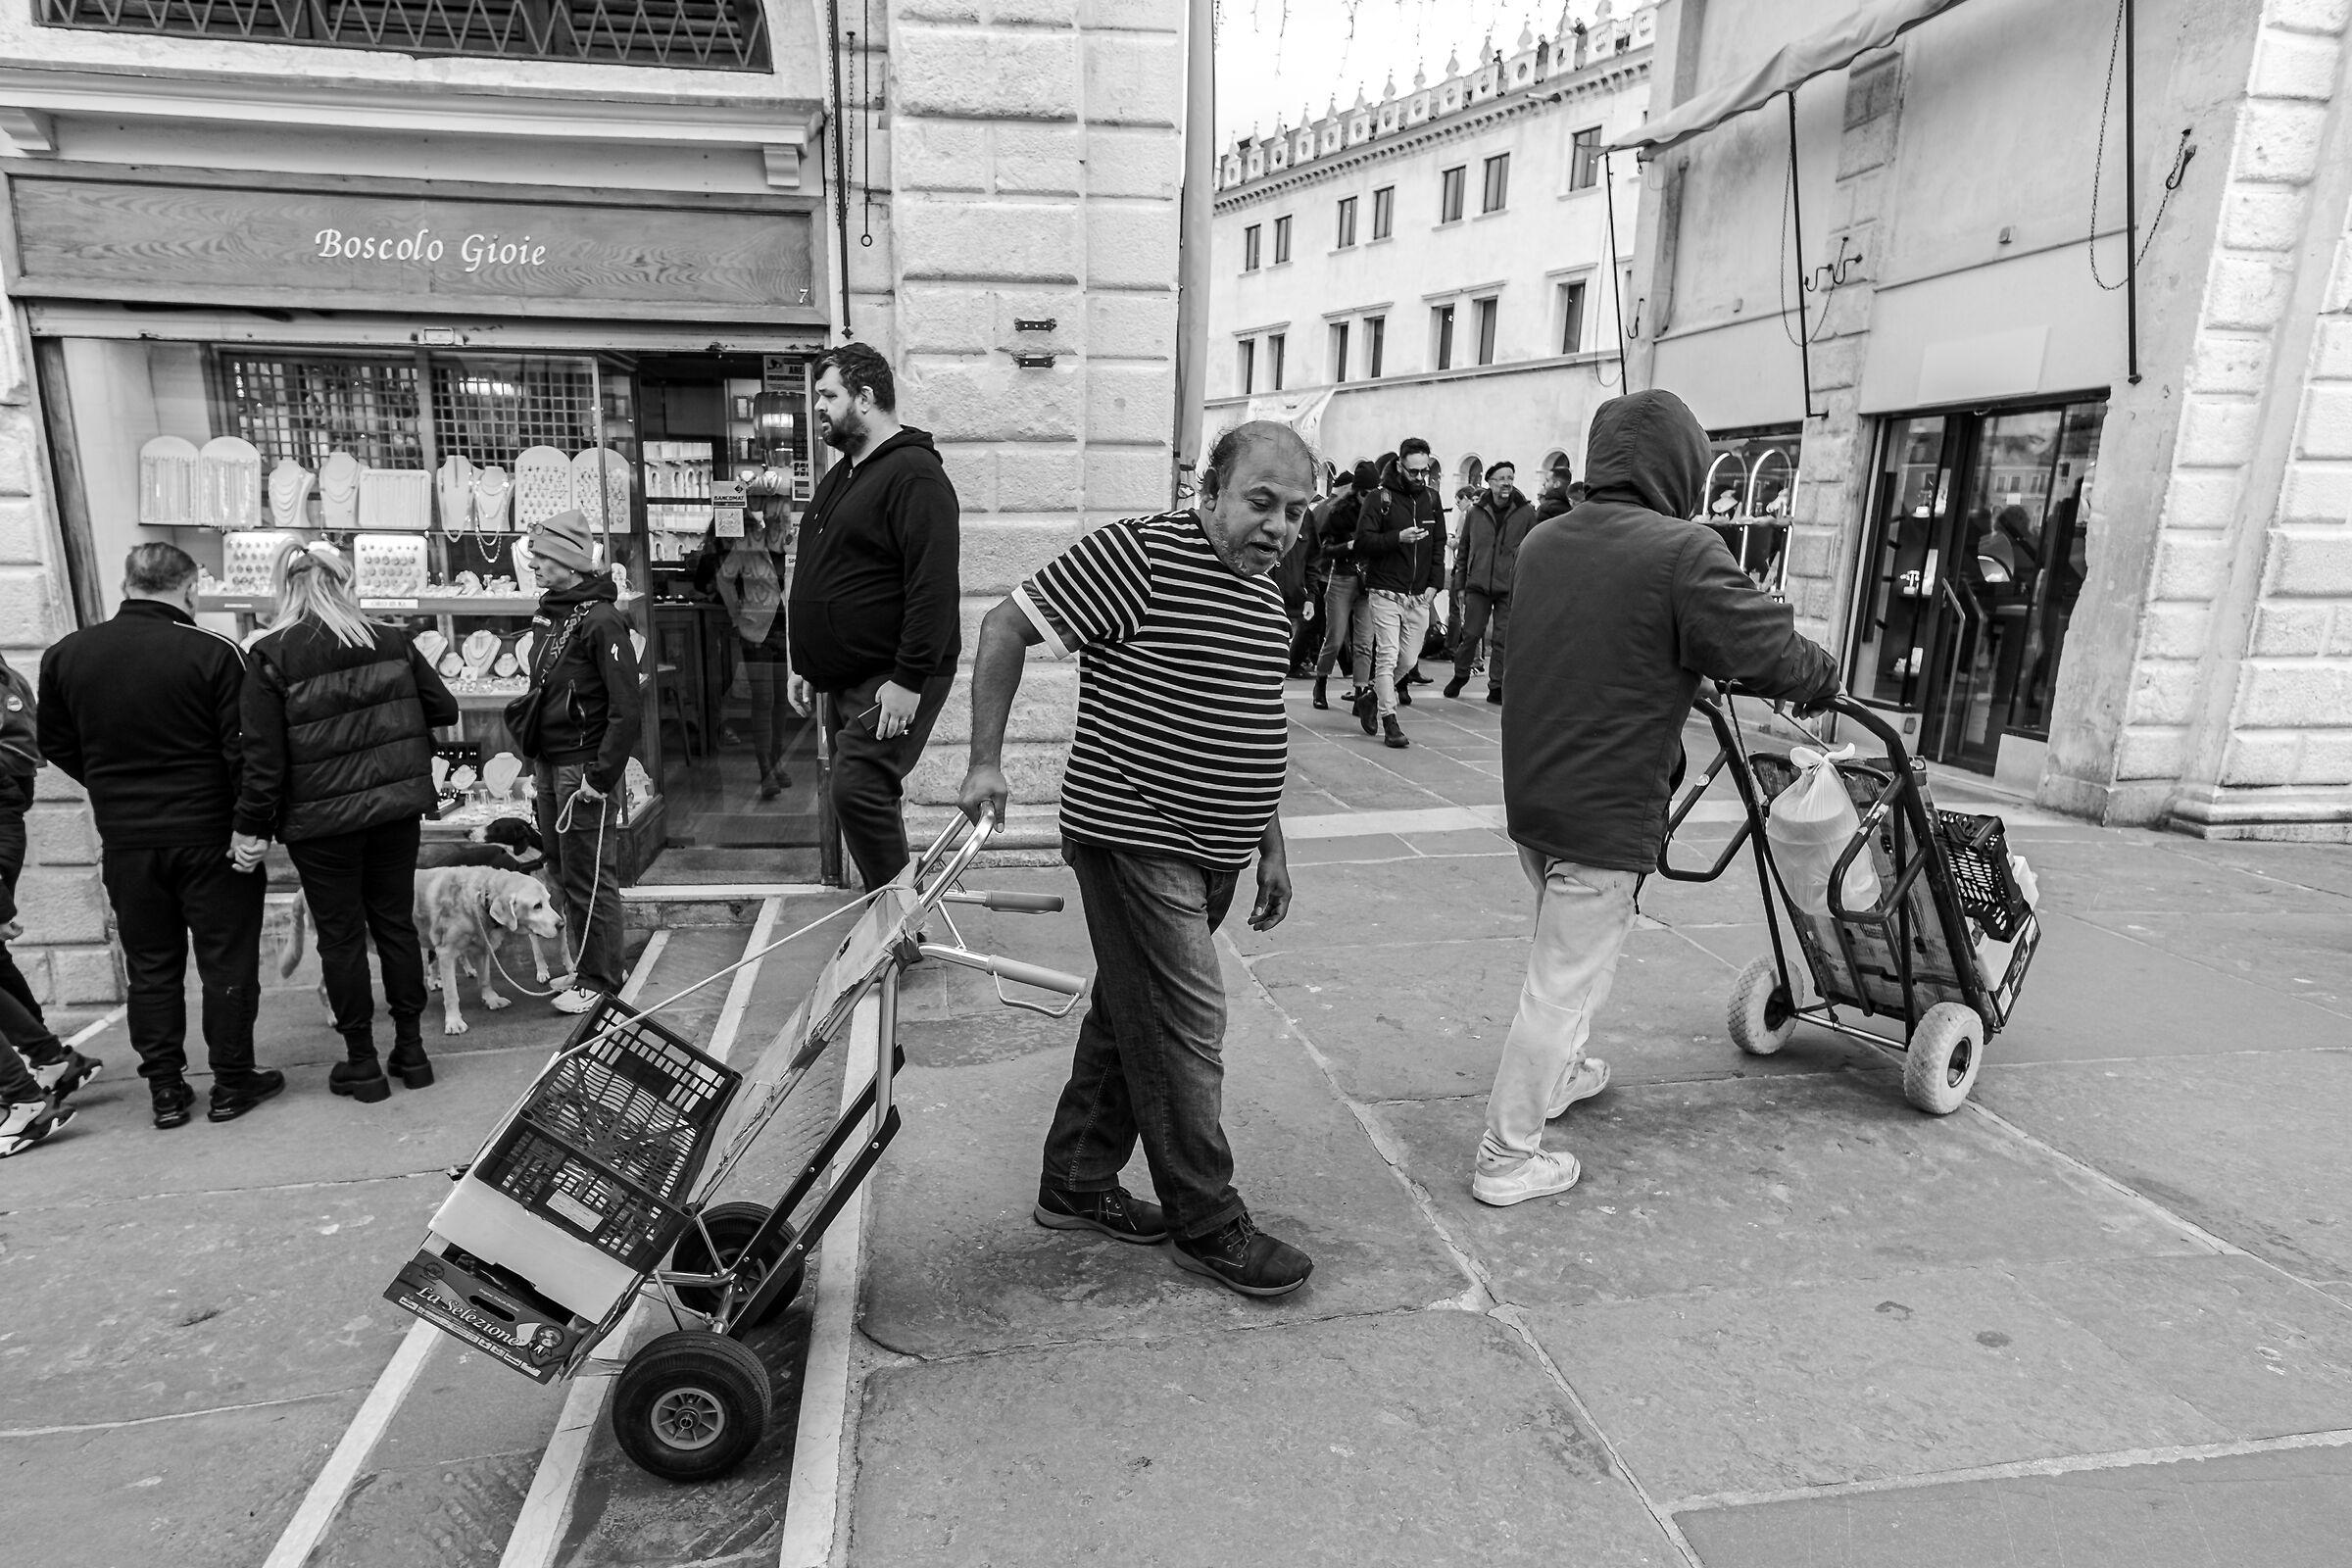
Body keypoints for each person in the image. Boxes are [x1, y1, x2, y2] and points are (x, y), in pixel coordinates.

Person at [959, 419, 1315, 1299]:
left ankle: (1075, 1180)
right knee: (1187, 1025)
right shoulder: (1140, 555)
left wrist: (1270, 845)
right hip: (1135, 834)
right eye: (1261, 502)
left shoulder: (1267, 598)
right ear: (1209, 492)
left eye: (1295, 511)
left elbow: (1253, 723)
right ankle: (1207, 1219)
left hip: (1219, 850)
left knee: (1132, 1015)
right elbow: (1005, 626)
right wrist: (985, 761)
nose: (1277, 527)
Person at [1476, 390, 1838, 1207]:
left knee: (1571, 959)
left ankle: (1558, 1076)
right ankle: (1506, 1154)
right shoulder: (1682, 549)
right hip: (1606, 806)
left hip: (1537, 793)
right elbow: (1765, 647)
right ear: (1682, 467)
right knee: (1561, 983)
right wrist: (1823, 676)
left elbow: (1605, 638)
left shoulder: (1544, 539)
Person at [38, 543, 277, 1129]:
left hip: (127, 838)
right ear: (190, 588)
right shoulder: (212, 651)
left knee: (150, 967)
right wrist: (252, 824)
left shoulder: (67, 654)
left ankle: (166, 1089)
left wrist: (109, 783)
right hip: (209, 835)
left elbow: (56, 743)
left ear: (128, 584)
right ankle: (231, 1081)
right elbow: (246, 748)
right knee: (226, 961)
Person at [232, 541, 459, 1101]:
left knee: (340, 938)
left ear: (287, 589)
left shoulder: (271, 655)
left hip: (321, 821)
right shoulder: (390, 640)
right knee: (396, 926)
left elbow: (263, 758)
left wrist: (251, 827)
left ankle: (362, 1062)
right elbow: (444, 708)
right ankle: (412, 1050)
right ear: (345, 584)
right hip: (393, 810)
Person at [787, 342, 961, 890]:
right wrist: (807, 663)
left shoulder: (914, 475)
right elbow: (825, 571)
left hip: (892, 673)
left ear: (864, 397)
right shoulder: (843, 475)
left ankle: (897, 927)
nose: (818, 407)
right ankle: (891, 918)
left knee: (857, 789)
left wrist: (908, 680)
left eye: (828, 395)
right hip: (849, 674)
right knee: (865, 791)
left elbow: (933, 586)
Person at [518, 510, 642, 1015]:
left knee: (591, 877)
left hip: (583, 768)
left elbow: (626, 706)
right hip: (552, 764)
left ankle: (601, 980)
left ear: (569, 561)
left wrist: (602, 775)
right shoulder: (551, 613)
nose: (534, 565)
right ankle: (592, 966)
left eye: (542, 557)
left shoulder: (602, 620)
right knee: (565, 872)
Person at [1351, 441, 1446, 749]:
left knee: (1407, 659)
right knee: (1388, 657)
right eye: (1413, 471)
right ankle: (1389, 720)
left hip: (1419, 595)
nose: (1419, 477)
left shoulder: (1431, 499)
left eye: (1424, 471)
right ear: (1400, 466)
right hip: (1385, 590)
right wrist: (1398, 538)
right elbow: (1363, 542)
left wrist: (1434, 585)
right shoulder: (1380, 498)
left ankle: (1370, 697)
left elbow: (1438, 545)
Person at [716, 497, 796, 801]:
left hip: (786, 632)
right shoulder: (749, 543)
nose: (780, 521)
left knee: (781, 701)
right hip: (756, 632)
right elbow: (724, 578)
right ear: (767, 517)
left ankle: (776, 761)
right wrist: (736, 614)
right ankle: (765, 770)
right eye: (776, 516)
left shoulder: (793, 544)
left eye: (784, 516)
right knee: (763, 701)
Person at [1446, 460, 1538, 706]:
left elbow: (1533, 550)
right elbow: (1464, 549)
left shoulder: (1526, 512)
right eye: (1501, 478)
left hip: (1509, 586)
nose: (1507, 483)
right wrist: (1460, 584)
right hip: (1477, 585)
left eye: (1510, 478)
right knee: (1471, 634)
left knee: (1502, 638)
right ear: (1490, 483)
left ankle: (1497, 685)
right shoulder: (1475, 512)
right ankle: (1460, 674)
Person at [1311, 460, 1376, 710]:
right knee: (1335, 638)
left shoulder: (1380, 513)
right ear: (1356, 491)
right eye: (1364, 493)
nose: (1368, 498)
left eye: (1372, 493)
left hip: (1369, 581)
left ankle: (1360, 691)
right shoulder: (1338, 512)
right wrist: (1348, 546)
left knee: (1364, 643)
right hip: (1342, 577)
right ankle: (1321, 681)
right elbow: (1324, 550)